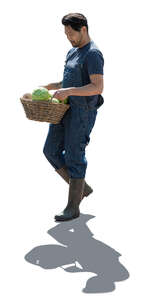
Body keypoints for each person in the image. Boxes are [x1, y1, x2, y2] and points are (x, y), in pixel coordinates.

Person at [42, 13, 104, 222]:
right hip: (64, 109)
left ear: (83, 29)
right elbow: (69, 80)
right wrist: (51, 86)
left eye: (71, 33)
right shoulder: (72, 52)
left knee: (74, 156)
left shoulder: (93, 54)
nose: (68, 37)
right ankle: (81, 188)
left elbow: (97, 87)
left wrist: (68, 91)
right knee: (50, 150)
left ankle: (73, 206)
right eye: (66, 33)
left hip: (82, 112)